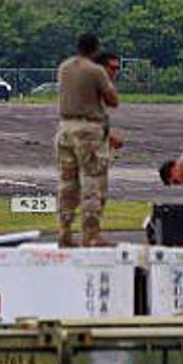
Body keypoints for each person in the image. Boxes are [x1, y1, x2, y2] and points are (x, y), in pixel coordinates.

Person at [54, 34, 119, 247]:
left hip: (64, 128)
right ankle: (91, 234)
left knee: (67, 184)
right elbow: (112, 101)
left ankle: (64, 232)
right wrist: (106, 83)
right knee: (92, 183)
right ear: (95, 50)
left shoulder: (64, 67)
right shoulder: (95, 71)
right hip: (87, 130)